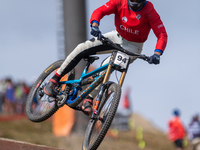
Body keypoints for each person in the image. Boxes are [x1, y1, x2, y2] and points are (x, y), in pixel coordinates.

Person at [44, 0, 168, 115]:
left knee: (107, 67)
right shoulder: (120, 2)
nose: (135, 4)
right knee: (82, 48)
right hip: (116, 36)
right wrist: (95, 24)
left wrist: (157, 53)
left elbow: (162, 34)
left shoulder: (149, 10)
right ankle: (54, 79)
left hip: (133, 47)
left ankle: (89, 98)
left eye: (138, 1)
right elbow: (99, 11)